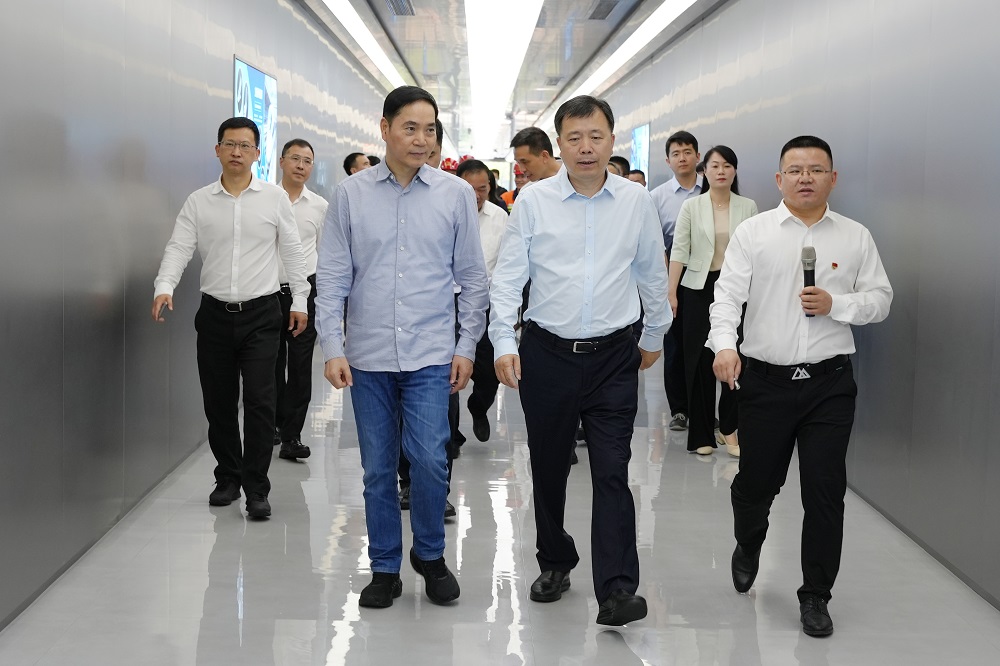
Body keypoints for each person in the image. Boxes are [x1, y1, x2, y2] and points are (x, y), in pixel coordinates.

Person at [490, 95, 670, 626]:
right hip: (547, 354)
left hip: (614, 355)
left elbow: (651, 272)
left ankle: (617, 589)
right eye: (574, 138)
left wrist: (654, 333)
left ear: (612, 140)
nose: (586, 147)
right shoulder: (533, 201)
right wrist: (503, 342)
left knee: (613, 469)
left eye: (596, 137)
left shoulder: (635, 202)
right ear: (559, 145)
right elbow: (509, 277)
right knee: (548, 466)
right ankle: (555, 560)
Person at [710, 135, 892, 637]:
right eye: (795, 170)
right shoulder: (754, 233)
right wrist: (724, 346)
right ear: (779, 179)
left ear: (833, 178)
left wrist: (839, 305)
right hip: (765, 383)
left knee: (824, 492)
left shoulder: (855, 236)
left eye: (815, 169)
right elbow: (727, 297)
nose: (805, 178)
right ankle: (749, 541)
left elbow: (881, 299)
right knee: (756, 486)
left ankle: (815, 595)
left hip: (828, 385)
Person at [316, 86, 489, 609]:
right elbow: (333, 275)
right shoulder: (350, 195)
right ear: (385, 128)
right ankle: (385, 566)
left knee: (431, 460)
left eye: (430, 129)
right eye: (410, 128)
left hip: (431, 353)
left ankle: (430, 555)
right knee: (377, 468)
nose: (421, 139)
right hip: (367, 355)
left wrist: (467, 345)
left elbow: (472, 278)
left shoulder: (454, 195)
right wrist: (332, 345)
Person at [151, 117, 309, 519]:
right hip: (215, 315)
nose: (237, 152)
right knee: (219, 402)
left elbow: (293, 251)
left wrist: (300, 301)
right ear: (217, 150)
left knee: (259, 401)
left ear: (256, 153)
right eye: (229, 144)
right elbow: (179, 247)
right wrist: (164, 286)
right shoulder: (199, 201)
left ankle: (257, 488)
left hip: (262, 314)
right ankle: (228, 477)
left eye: (245, 146)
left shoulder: (274, 199)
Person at [669, 145, 757, 457]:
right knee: (698, 362)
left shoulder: (748, 206)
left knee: (736, 357)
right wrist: (671, 292)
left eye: (727, 166)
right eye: (715, 166)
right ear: (704, 171)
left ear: (735, 171)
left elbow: (756, 252)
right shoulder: (692, 206)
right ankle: (701, 434)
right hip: (697, 288)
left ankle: (731, 429)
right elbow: (679, 250)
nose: (721, 171)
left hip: (737, 288)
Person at [397, 117, 462, 519]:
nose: (423, 150)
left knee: (442, 417)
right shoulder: (377, 197)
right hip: (392, 326)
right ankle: (408, 481)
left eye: (432, 146)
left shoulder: (452, 197)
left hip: (441, 322)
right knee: (398, 416)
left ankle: (438, 487)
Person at [273, 139, 329, 461]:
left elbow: (325, 253)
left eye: (307, 161)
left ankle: (291, 435)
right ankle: (273, 424)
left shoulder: (319, 207)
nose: (301, 166)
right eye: (295, 159)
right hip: (268, 292)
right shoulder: (266, 200)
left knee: (299, 365)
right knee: (269, 363)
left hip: (306, 292)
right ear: (282, 161)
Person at [649, 130, 702, 432]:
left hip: (707, 275)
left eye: (687, 152)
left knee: (704, 346)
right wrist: (666, 287)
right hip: (673, 274)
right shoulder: (657, 197)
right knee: (675, 345)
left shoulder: (711, 190)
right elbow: (656, 245)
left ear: (697, 156)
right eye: (676, 154)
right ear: (668, 161)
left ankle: (702, 409)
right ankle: (679, 409)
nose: (682, 158)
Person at [455, 159, 507, 442]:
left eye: (482, 188)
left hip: (486, 304)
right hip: (448, 302)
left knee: (489, 371)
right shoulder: (444, 212)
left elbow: (507, 264)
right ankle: (450, 435)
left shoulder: (500, 218)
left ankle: (478, 406)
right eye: (469, 188)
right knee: (445, 370)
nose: (476, 195)